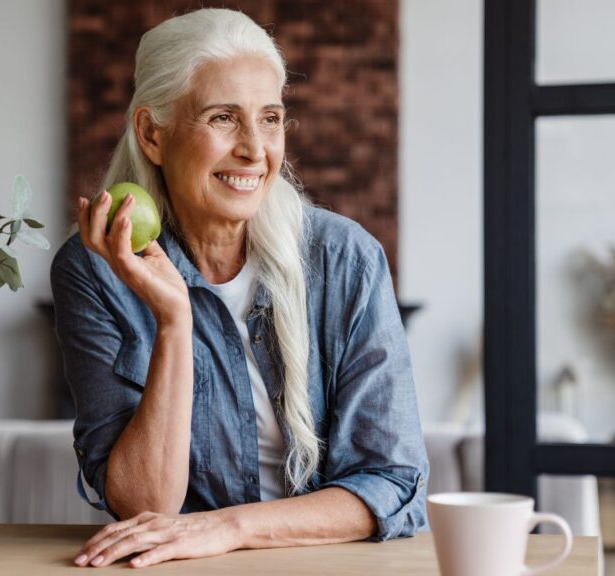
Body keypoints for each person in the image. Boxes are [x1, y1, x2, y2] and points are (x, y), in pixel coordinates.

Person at [50, 8, 428, 569]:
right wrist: (174, 321)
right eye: (224, 118)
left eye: (270, 118)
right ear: (154, 135)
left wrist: (227, 529)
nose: (256, 149)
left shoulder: (346, 258)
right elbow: (144, 504)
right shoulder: (96, 268)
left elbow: (393, 484)